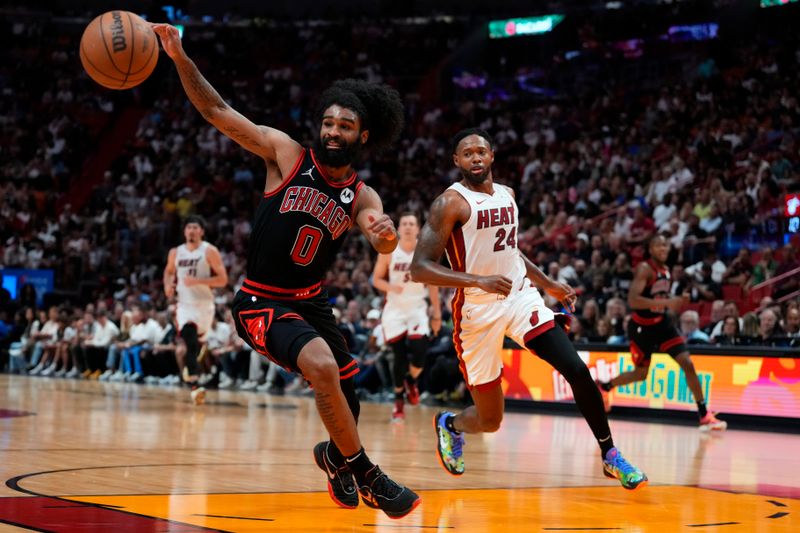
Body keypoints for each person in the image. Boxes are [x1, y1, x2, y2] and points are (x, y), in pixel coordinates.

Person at [152, 23, 419, 518]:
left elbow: (378, 233)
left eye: (344, 126)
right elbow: (217, 111)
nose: (333, 131)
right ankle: (369, 476)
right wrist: (178, 55)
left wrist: (382, 232)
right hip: (261, 299)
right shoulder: (286, 154)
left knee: (348, 399)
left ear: (363, 135)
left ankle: (334, 458)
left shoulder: (362, 195)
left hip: (311, 303)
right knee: (321, 368)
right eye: (328, 122)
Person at [410, 128, 647, 491]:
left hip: (520, 297)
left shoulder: (508, 194)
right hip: (477, 311)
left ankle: (609, 454)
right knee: (490, 421)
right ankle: (450, 424)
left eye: (481, 152)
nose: (475, 158)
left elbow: (511, 252)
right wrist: (477, 280)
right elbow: (420, 267)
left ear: (491, 156)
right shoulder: (450, 203)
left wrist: (547, 282)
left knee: (577, 369)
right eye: (467, 153)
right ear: (456, 161)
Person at [596, 235, 727, 432]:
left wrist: (676, 300)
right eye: (658, 245)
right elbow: (633, 301)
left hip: (662, 324)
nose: (663, 248)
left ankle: (704, 415)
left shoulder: (666, 270)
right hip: (642, 327)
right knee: (641, 374)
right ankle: (604, 387)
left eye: (665, 244)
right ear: (650, 249)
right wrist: (667, 303)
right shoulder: (645, 269)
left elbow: (659, 298)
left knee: (688, 364)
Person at [371, 212, 441, 421]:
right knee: (399, 358)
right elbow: (376, 279)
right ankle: (398, 399)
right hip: (395, 310)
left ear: (418, 228)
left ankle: (411, 380)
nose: (408, 227)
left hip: (417, 309)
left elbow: (434, 283)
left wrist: (436, 312)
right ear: (399, 228)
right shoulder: (389, 250)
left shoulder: (425, 251)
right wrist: (390, 286)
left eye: (412, 223)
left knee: (420, 353)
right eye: (404, 224)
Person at [163, 215, 229, 405]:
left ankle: (198, 365)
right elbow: (168, 272)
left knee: (197, 344)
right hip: (184, 306)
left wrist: (198, 281)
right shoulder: (176, 252)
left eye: (195, 227)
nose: (191, 230)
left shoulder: (209, 251)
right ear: (184, 231)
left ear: (201, 231)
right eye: (188, 227)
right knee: (189, 341)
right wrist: (168, 285)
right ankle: (195, 385)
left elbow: (223, 280)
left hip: (205, 305)